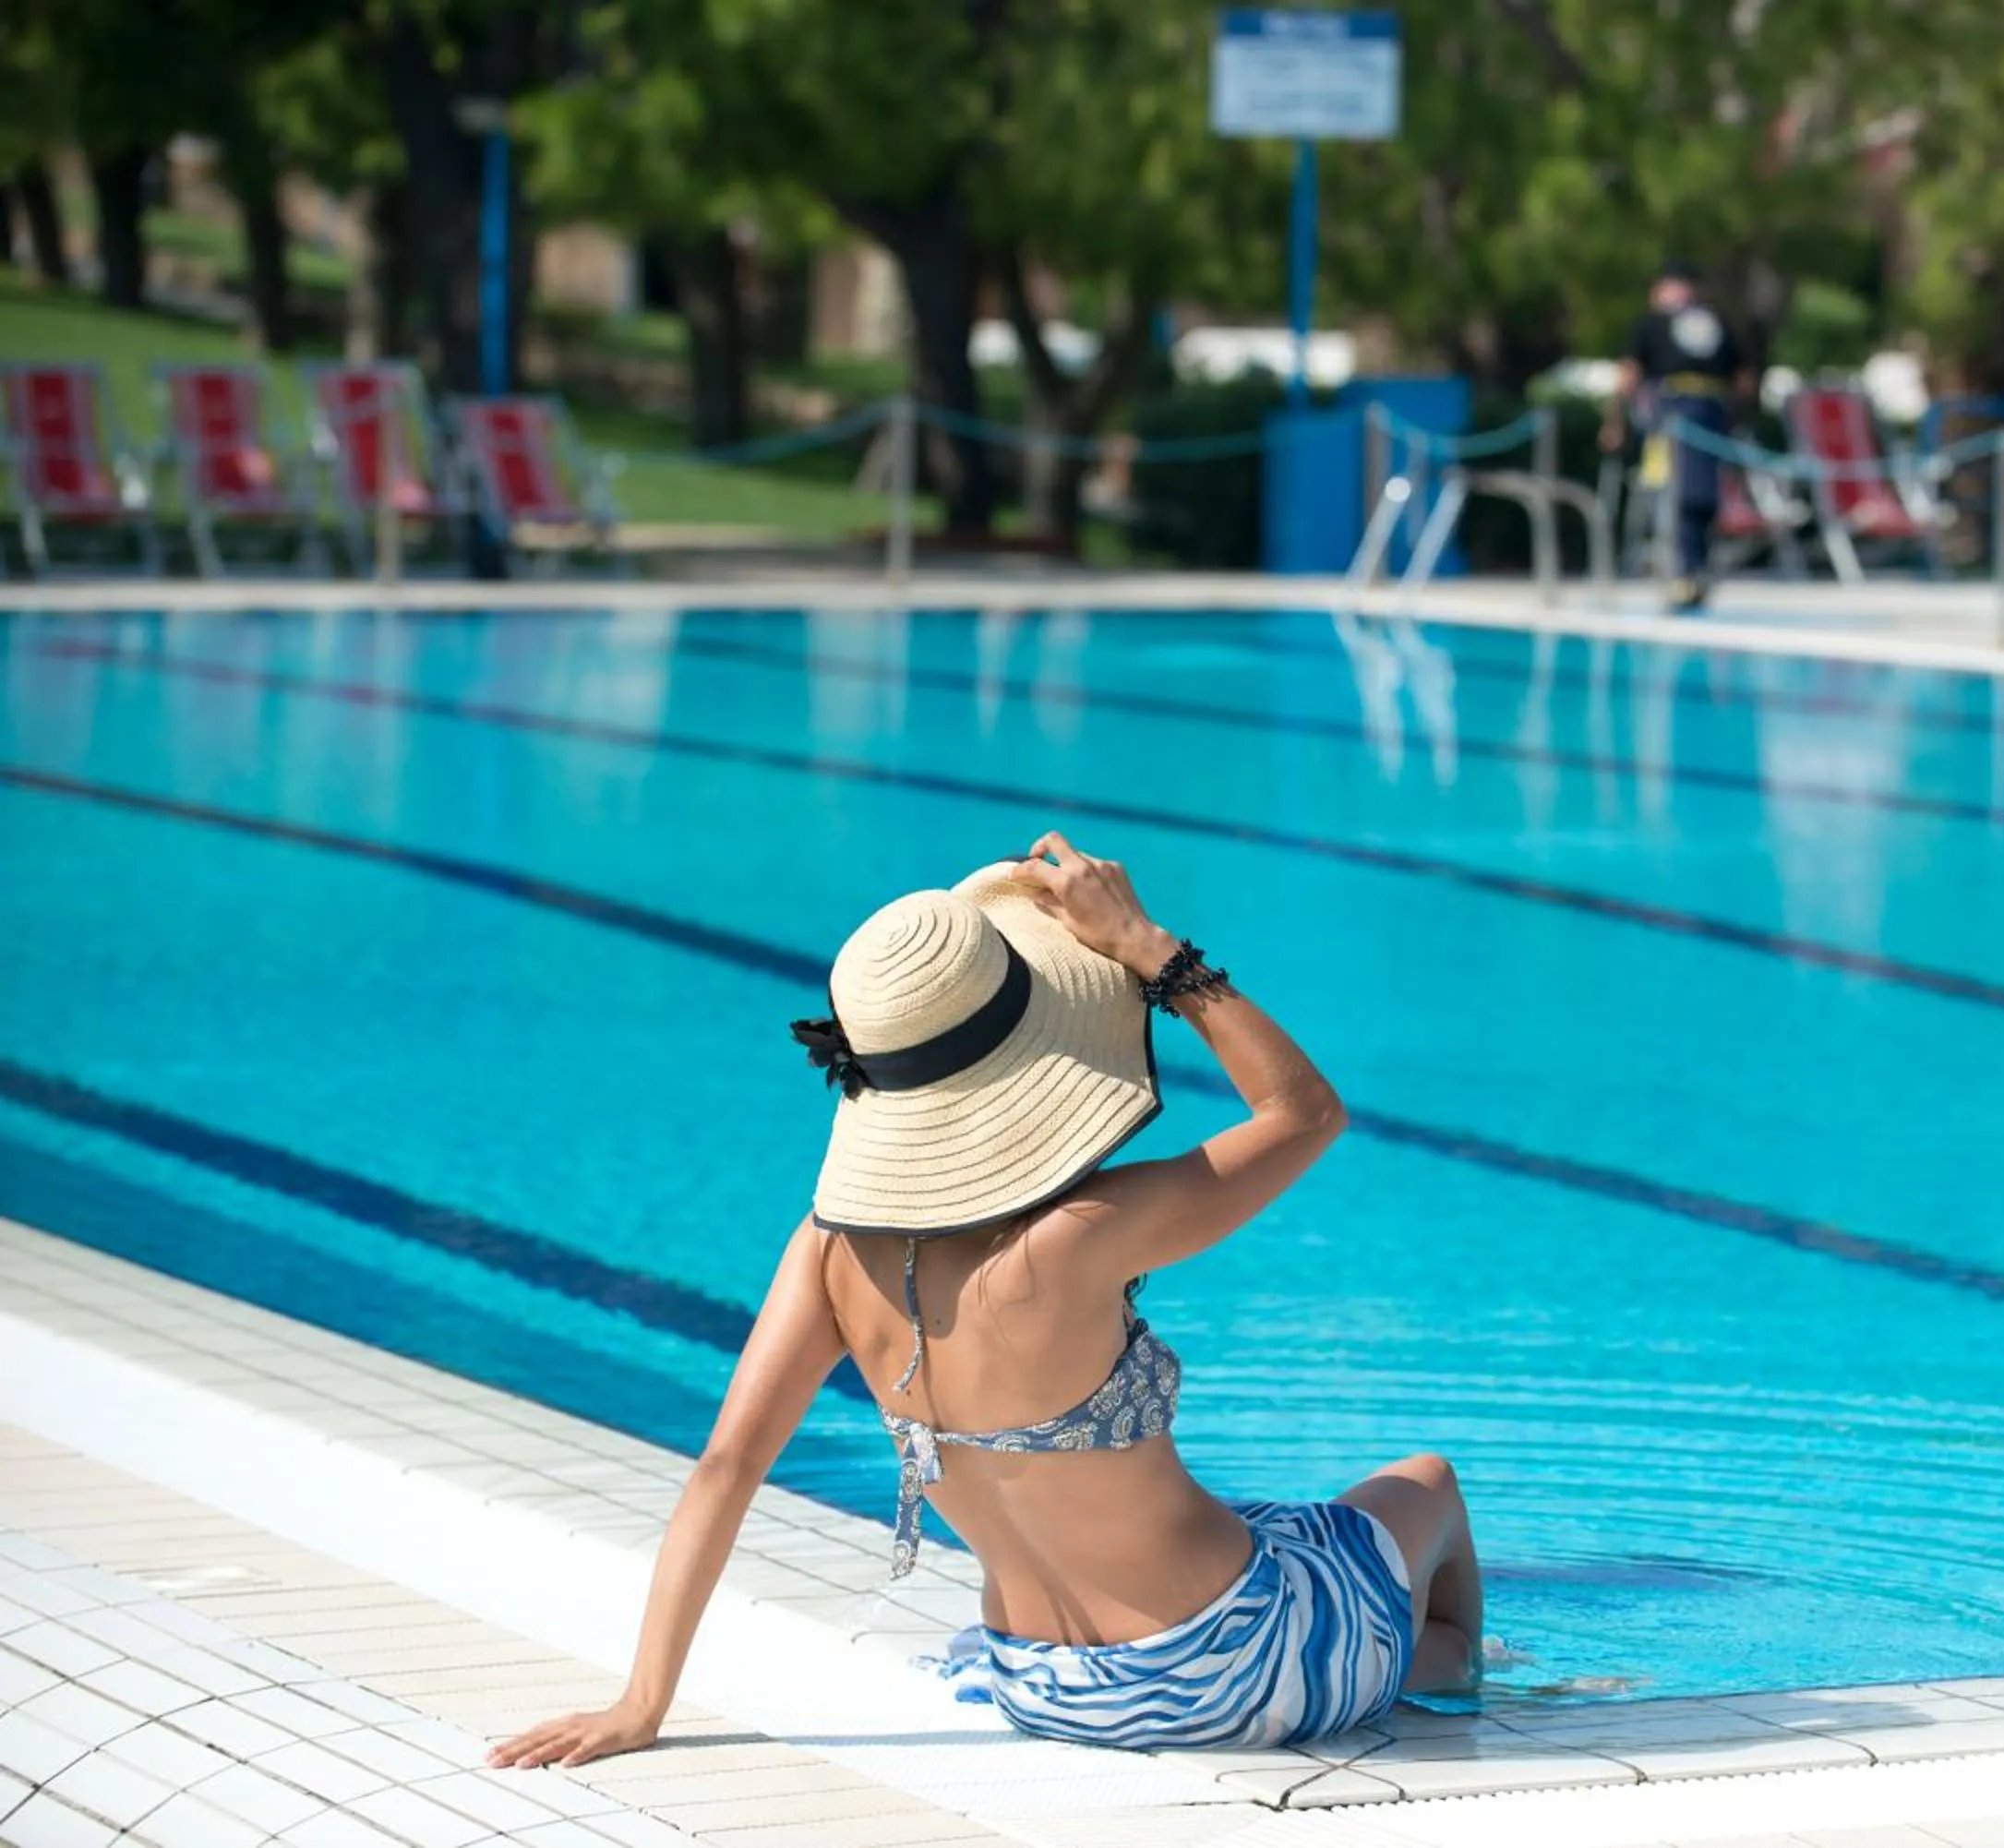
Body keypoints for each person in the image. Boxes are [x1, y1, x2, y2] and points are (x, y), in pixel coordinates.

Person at [490, 836, 1482, 1763]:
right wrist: (1148, 948)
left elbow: (724, 1467)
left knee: (1288, 1523)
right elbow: (1305, 1112)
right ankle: (1459, 1671)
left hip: (1039, 1682)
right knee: (1424, 1484)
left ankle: (1402, 1661)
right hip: (1223, 1670)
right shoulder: (1079, 1238)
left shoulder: (827, 1250)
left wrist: (642, 1702)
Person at [1602, 260, 1751, 612]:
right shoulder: (1650, 326)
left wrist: (1736, 419)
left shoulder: (1716, 324)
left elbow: (1743, 376)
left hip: (1707, 418)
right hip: (1667, 417)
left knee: (1699, 497)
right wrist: (1616, 420)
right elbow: (1630, 375)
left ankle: (1693, 569)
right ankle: (1680, 569)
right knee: (1668, 490)